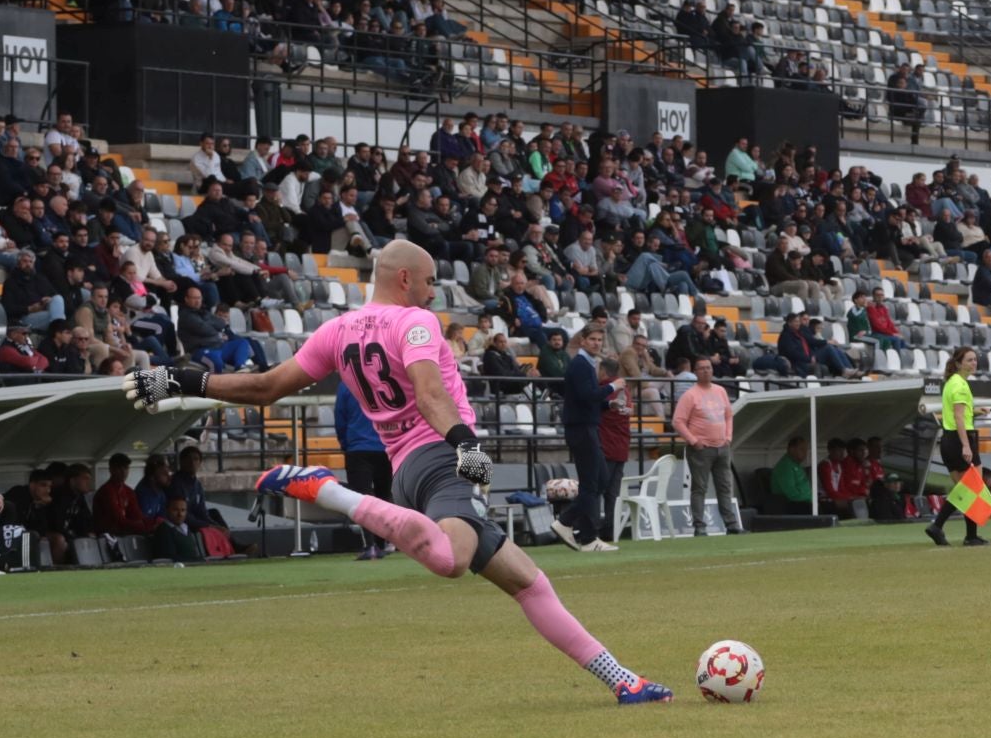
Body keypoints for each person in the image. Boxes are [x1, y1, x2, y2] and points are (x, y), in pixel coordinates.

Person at [120, 238, 671, 704]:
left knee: (529, 581)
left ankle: (622, 681)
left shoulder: (339, 331)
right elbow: (430, 393)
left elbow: (265, 387)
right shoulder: (415, 321)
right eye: (431, 282)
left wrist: (183, 381)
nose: (435, 292)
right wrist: (465, 445)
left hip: (406, 468)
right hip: (439, 458)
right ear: (406, 279)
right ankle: (330, 492)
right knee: (451, 561)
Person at [553, 327, 617, 553]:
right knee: (592, 484)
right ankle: (584, 534)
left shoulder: (587, 364)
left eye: (600, 339)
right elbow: (587, 395)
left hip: (587, 427)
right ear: (583, 340)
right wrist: (612, 387)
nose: (597, 343)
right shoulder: (580, 365)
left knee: (600, 480)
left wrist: (609, 404)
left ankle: (576, 527)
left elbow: (587, 399)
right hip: (581, 429)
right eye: (593, 339)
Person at [924, 347, 988, 547]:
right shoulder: (960, 385)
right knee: (972, 488)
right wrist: (967, 446)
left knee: (965, 489)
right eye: (969, 360)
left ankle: (968, 535)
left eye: (975, 360)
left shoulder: (951, 383)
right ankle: (941, 526)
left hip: (948, 441)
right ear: (959, 363)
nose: (973, 363)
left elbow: (956, 414)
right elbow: (959, 417)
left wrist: (976, 411)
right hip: (960, 440)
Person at [672, 357, 741, 537]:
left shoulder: (720, 391)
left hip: (721, 446)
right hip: (701, 448)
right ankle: (699, 526)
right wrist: (694, 441)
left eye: (708, 368)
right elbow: (678, 421)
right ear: (695, 372)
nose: (706, 371)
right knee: (699, 488)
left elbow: (728, 415)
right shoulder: (690, 395)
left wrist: (728, 437)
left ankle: (731, 524)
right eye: (701, 368)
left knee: (725, 486)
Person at [334, 382, 393, 560]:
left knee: (362, 498)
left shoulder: (346, 385)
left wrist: (345, 444)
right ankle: (382, 543)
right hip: (386, 446)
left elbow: (340, 418)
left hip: (358, 447)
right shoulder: (385, 381)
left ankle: (370, 545)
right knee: (384, 495)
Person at [769, 434, 813, 512]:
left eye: (806, 450)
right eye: (802, 449)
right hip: (792, 505)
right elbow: (792, 494)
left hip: (805, 501)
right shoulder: (785, 467)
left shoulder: (796, 465)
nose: (805, 453)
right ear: (792, 449)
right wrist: (810, 498)